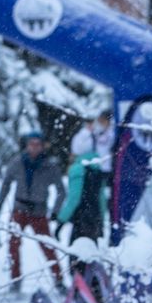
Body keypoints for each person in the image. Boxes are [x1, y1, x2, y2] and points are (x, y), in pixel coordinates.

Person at [0, 131, 67, 293]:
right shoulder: (17, 163)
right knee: (13, 246)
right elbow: (6, 184)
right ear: (26, 146)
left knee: (48, 246)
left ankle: (58, 279)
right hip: (19, 209)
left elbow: (61, 190)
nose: (34, 148)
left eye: (37, 144)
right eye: (31, 144)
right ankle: (15, 279)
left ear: (42, 146)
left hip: (39, 211)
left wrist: (55, 211)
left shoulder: (49, 166)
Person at [56, 112, 112, 278]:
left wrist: (61, 221)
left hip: (81, 222)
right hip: (94, 221)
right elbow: (102, 199)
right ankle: (94, 294)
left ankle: (79, 295)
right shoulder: (98, 168)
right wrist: (101, 221)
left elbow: (74, 198)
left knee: (76, 261)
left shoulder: (77, 169)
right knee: (92, 260)